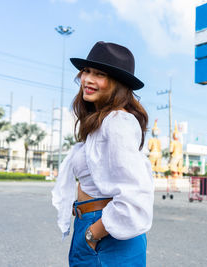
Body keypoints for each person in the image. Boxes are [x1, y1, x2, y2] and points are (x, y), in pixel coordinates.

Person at [51, 41, 154, 266]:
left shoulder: (118, 122)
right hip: (95, 226)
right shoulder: (102, 122)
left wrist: (92, 234)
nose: (87, 79)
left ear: (117, 84)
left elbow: (135, 193)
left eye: (99, 74)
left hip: (106, 234)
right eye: (86, 71)